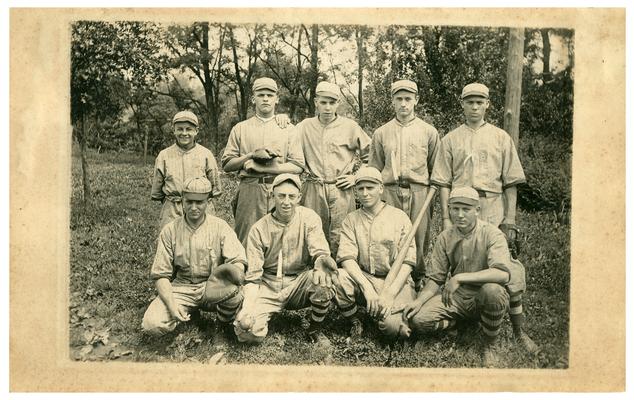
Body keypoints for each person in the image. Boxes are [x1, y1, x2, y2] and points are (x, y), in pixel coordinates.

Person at [430, 82, 537, 353]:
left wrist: (509, 219)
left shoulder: (501, 137)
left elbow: (511, 182)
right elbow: (442, 182)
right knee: (464, 259)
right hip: (461, 207)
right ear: (462, 104)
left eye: (480, 102)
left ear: (488, 104)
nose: (475, 107)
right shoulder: (450, 139)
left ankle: (518, 330)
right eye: (470, 102)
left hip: (490, 205)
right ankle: (467, 314)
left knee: (506, 269)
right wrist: (445, 219)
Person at [403, 186, 528, 367]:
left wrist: (459, 278)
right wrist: (419, 301)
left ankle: (489, 345)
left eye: (466, 209)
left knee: (492, 291)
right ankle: (458, 325)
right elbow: (435, 279)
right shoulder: (445, 237)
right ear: (449, 209)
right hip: (459, 297)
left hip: (485, 293)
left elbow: (501, 274)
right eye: (455, 209)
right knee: (418, 319)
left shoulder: (492, 234)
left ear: (477, 210)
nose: (460, 215)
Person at [234, 174, 338, 349]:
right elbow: (253, 277)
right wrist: (249, 307)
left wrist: (321, 260)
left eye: (291, 196)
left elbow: (319, 249)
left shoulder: (309, 218)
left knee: (323, 281)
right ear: (272, 196)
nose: (286, 202)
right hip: (268, 284)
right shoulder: (258, 229)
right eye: (281, 196)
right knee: (246, 331)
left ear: (299, 197)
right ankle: (263, 314)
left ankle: (315, 328)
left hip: (298, 281)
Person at [142, 177, 247, 342]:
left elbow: (238, 260)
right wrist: (171, 305)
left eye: (199, 202)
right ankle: (189, 311)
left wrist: (235, 272)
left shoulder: (220, 227)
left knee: (236, 295)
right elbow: (160, 275)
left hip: (212, 286)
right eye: (189, 201)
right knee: (151, 324)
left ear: (208, 201)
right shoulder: (170, 230)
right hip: (182, 287)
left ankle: (222, 324)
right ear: (182, 200)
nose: (193, 207)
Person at [369, 79, 440, 285]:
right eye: (399, 99)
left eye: (408, 99)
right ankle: (393, 280)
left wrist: (430, 193)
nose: (403, 104)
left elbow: (436, 168)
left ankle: (417, 279)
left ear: (416, 100)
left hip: (420, 190)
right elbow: (375, 168)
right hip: (390, 190)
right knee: (392, 234)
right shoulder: (381, 132)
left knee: (419, 237)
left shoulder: (429, 132)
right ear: (392, 101)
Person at [334, 167, 417, 341]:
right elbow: (346, 258)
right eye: (360, 189)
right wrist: (367, 288)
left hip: (396, 282)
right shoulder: (351, 219)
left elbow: (408, 262)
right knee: (338, 277)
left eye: (370, 188)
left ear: (381, 188)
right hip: (367, 279)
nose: (365, 193)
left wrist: (391, 293)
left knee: (392, 329)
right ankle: (356, 319)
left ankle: (389, 313)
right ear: (355, 191)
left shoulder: (399, 217)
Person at [221, 77, 305, 246]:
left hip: (280, 190)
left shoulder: (288, 128)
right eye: (261, 95)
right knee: (246, 238)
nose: (265, 99)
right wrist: (250, 155)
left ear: (277, 98)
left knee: (281, 240)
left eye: (270, 95)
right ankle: (246, 272)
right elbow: (227, 164)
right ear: (253, 98)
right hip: (250, 190)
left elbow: (298, 166)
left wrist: (264, 168)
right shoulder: (241, 128)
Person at [295, 81, 371, 256]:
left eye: (332, 102)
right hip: (313, 187)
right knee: (312, 231)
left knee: (342, 233)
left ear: (338, 103)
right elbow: (285, 141)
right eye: (323, 102)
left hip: (341, 188)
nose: (328, 107)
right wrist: (279, 118)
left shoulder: (350, 127)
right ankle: (315, 272)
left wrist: (356, 177)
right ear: (316, 102)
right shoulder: (304, 127)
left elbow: (372, 156)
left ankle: (342, 273)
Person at [151, 111, 222, 230]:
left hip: (200, 209)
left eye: (188, 129)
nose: (184, 133)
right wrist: (173, 202)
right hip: (173, 210)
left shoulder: (206, 155)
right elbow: (157, 192)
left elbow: (215, 189)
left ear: (196, 131)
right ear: (173, 130)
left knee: (203, 244)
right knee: (171, 243)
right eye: (180, 129)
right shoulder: (164, 156)